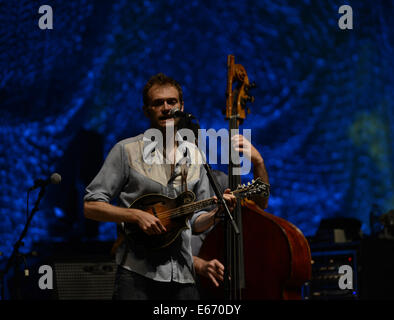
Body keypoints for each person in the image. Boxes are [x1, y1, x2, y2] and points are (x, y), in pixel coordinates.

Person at [83, 73, 236, 300]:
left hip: (183, 275)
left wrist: (216, 214)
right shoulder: (126, 151)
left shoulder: (195, 155)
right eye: (158, 103)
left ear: (181, 106)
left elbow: (195, 221)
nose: (166, 108)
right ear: (147, 110)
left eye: (172, 102)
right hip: (136, 273)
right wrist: (135, 215)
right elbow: (90, 206)